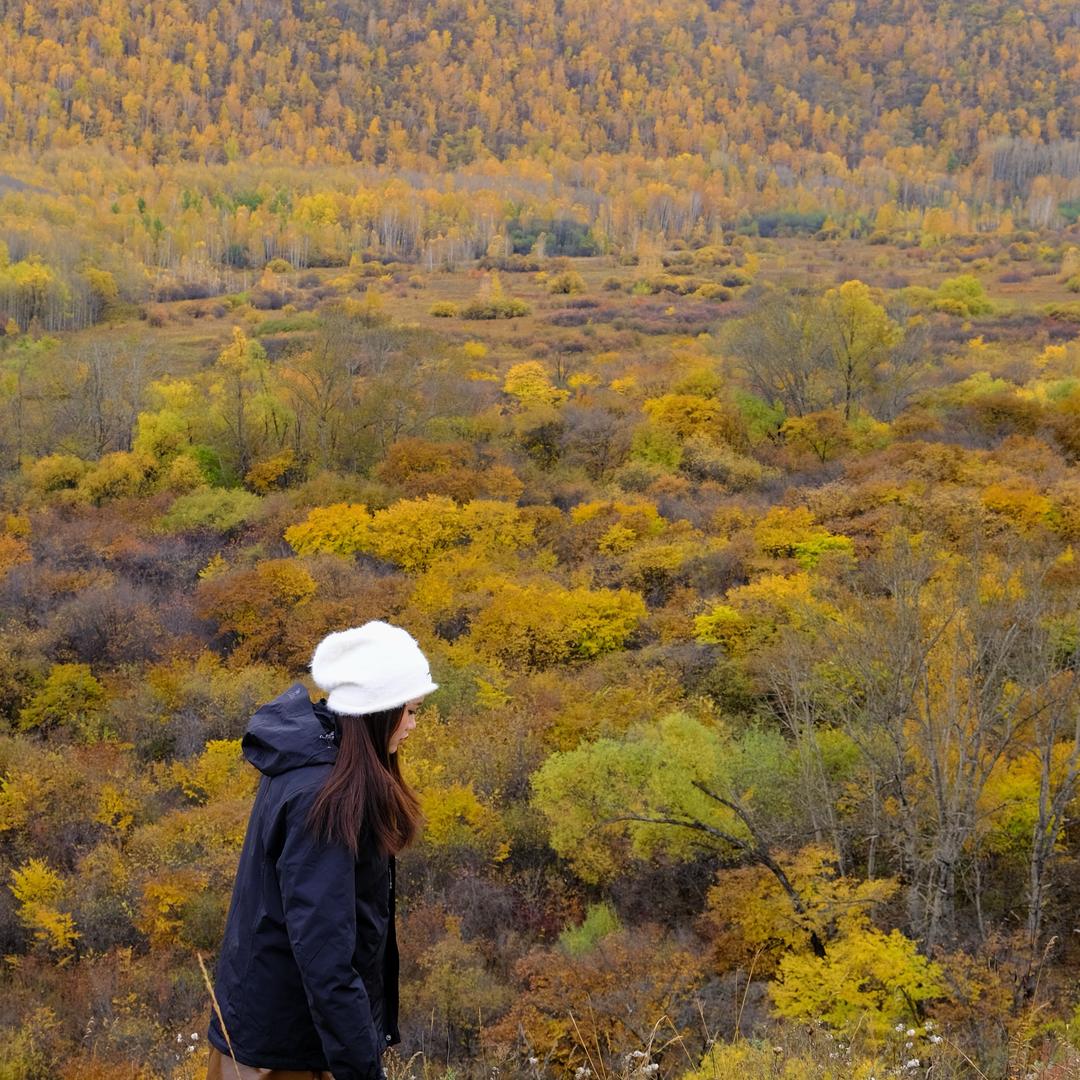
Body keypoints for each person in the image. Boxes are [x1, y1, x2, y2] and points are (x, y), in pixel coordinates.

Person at [205, 621, 437, 1080]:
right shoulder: (323, 796)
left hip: (285, 1037)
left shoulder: (314, 763)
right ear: (376, 712)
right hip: (285, 1056)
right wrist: (362, 1069)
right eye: (409, 711)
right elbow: (326, 958)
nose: (413, 726)